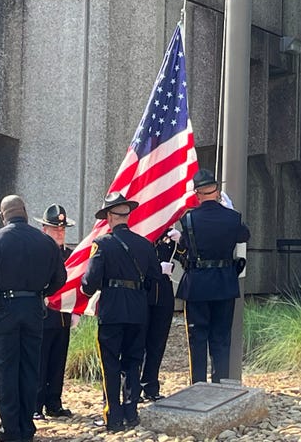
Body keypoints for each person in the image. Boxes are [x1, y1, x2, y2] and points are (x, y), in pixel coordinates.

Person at [0, 195, 67, 442]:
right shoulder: (46, 242)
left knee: (5, 371)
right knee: (30, 369)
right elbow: (60, 278)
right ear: (25, 212)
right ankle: (26, 428)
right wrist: (39, 294)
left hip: (3, 310)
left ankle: (9, 430)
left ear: (3, 215)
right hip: (33, 310)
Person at [81, 193, 161, 433]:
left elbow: (90, 282)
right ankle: (131, 412)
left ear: (108, 217)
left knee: (110, 363)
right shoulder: (145, 244)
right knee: (133, 362)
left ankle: (112, 416)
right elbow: (155, 277)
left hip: (112, 310)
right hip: (137, 311)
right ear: (127, 216)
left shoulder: (103, 244)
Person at [176, 169, 250, 384]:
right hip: (224, 283)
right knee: (221, 338)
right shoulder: (232, 217)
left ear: (197, 194)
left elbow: (184, 247)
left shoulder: (188, 219)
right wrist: (230, 210)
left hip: (197, 284)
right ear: (218, 192)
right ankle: (221, 383)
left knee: (197, 338)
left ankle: (197, 384)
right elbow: (244, 235)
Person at [32, 204, 77, 420]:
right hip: (43, 314)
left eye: (62, 229)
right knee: (40, 361)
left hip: (63, 317)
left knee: (58, 361)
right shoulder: (38, 253)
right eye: (55, 229)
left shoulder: (71, 255)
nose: (59, 232)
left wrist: (76, 310)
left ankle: (54, 402)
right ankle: (36, 404)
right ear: (44, 229)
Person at [139, 229, 176, 402]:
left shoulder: (169, 236)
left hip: (163, 293)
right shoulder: (141, 230)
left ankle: (150, 385)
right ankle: (132, 386)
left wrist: (181, 240)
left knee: (157, 342)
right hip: (143, 291)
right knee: (137, 342)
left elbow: (185, 257)